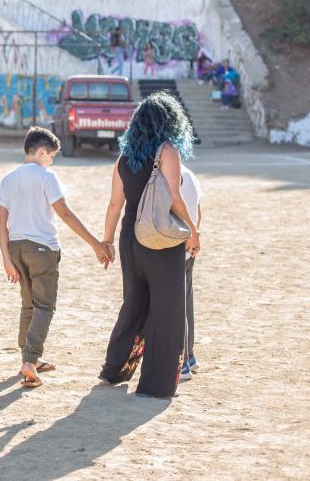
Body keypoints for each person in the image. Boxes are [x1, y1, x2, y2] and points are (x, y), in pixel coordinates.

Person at [98, 92, 200, 398]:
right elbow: (176, 198)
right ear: (170, 121)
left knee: (134, 304)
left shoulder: (123, 158)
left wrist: (106, 240)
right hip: (158, 236)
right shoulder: (168, 150)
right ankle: (156, 383)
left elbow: (115, 204)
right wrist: (193, 232)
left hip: (129, 237)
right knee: (168, 309)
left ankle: (114, 370)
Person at [0, 127, 112, 388]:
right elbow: (66, 214)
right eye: (52, 156)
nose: (52, 161)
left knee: (28, 306)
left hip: (16, 248)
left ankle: (28, 360)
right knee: (45, 307)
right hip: (42, 249)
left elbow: (0, 221)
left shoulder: (8, 179)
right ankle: (30, 361)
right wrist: (95, 244)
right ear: (42, 152)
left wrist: (6, 258)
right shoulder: (47, 176)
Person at [178, 164, 204, 382]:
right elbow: (198, 212)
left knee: (175, 305)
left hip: (175, 247)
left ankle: (183, 360)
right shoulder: (190, 174)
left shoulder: (172, 174)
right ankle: (191, 356)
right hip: (188, 247)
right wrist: (194, 238)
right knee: (186, 302)